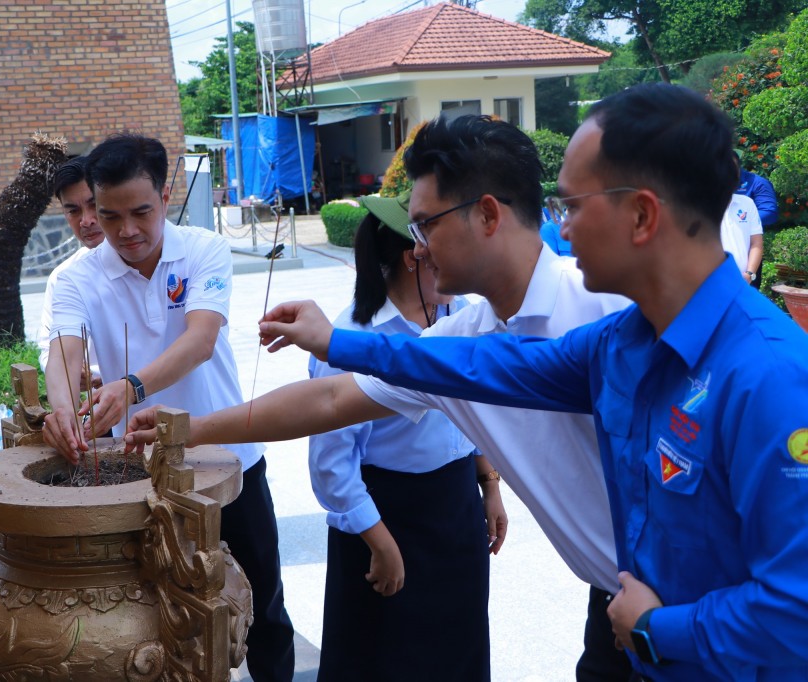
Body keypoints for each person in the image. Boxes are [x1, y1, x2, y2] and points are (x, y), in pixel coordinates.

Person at [238, 85, 808, 680]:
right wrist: (334, 343)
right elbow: (479, 366)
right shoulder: (624, 340)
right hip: (627, 634)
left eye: (572, 206)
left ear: (642, 215)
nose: (560, 227)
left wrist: (655, 629)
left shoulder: (774, 379)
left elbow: (797, 611)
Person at [129, 115, 635, 680]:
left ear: (488, 214)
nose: (417, 248)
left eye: (426, 226)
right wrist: (188, 430)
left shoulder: (605, 312)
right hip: (619, 600)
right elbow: (326, 403)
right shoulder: (463, 336)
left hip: (687, 598)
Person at [42, 133, 295, 682]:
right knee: (152, 617)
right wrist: (62, 408)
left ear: (163, 194)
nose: (125, 231)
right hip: (139, 477)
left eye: (141, 212)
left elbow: (200, 340)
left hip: (229, 463)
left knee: (263, 609)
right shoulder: (73, 277)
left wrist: (129, 386)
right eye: (109, 217)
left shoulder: (204, 249)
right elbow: (63, 351)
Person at [309, 189, 504, 680]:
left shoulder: (461, 315)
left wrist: (489, 484)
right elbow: (332, 461)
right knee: (384, 659)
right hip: (384, 516)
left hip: (454, 508)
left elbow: (471, 407)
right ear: (414, 254)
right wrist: (380, 542)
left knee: (458, 653)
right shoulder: (353, 336)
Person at [36, 156, 104, 382]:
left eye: (94, 205)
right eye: (73, 211)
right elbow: (48, 350)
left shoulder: (147, 263)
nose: (86, 220)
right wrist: (68, 372)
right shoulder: (64, 277)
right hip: (96, 411)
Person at [720, 192, 763, 285]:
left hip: (743, 282)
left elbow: (756, 243)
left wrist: (750, 273)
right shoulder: (697, 205)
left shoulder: (747, 203)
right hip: (709, 282)